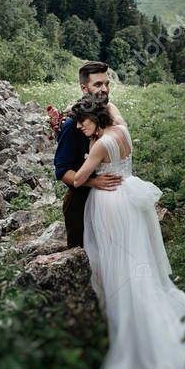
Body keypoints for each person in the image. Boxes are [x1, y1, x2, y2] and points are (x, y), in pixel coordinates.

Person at [66, 94, 185, 369]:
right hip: (129, 196)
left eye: (82, 121)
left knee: (117, 264)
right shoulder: (121, 130)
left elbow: (76, 179)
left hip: (111, 202)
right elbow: (116, 133)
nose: (78, 127)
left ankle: (132, 328)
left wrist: (92, 180)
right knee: (136, 262)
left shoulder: (101, 144)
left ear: (95, 117)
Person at [54, 61, 127, 248]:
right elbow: (62, 171)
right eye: (98, 85)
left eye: (107, 84)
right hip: (81, 203)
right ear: (84, 88)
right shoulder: (72, 125)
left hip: (111, 200)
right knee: (84, 256)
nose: (104, 89)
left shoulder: (107, 114)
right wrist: (93, 182)